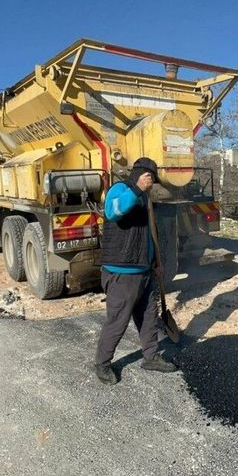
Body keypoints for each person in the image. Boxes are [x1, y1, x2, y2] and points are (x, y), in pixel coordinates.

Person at [94, 157, 178, 385]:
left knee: (149, 317)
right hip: (121, 272)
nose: (151, 184)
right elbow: (113, 212)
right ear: (140, 174)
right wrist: (136, 188)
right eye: (149, 178)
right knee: (118, 320)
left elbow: (149, 235)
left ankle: (151, 357)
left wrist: (156, 264)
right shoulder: (119, 189)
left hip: (144, 271)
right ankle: (102, 364)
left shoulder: (146, 199)